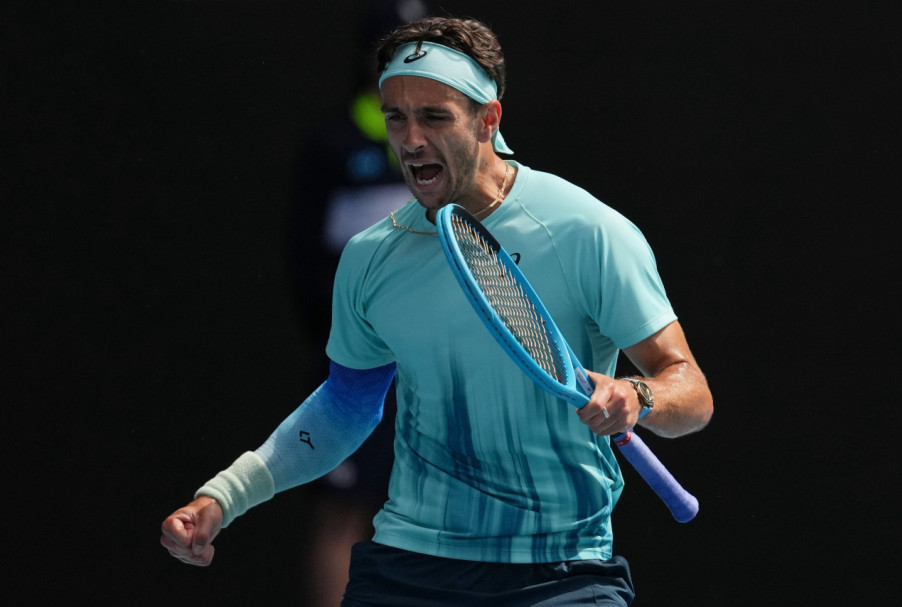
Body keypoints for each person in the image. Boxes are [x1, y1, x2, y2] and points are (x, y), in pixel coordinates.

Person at [161, 16, 713, 606]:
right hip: (410, 569)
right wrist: (225, 496)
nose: (411, 139)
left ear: (488, 119)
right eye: (396, 117)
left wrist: (638, 395)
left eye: (434, 116)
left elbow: (692, 393)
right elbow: (345, 406)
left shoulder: (587, 231)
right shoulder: (371, 257)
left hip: (562, 574)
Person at [288, 2, 427, 604]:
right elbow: (302, 260)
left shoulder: (455, 148)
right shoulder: (332, 144)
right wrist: (345, 339)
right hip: (352, 365)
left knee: (429, 511)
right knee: (345, 509)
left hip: (433, 368)